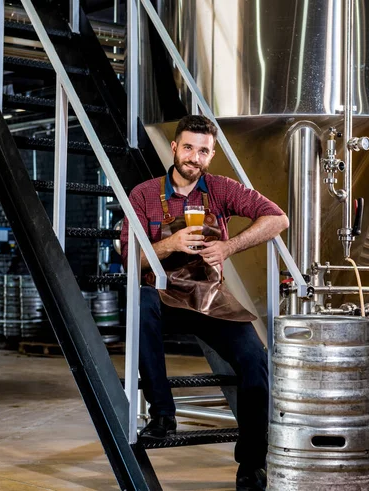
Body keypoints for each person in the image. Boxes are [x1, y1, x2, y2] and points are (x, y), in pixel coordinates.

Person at [120, 115, 289, 491]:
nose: (194, 157)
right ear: (175, 147)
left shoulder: (221, 189)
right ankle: (162, 413)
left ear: (210, 156)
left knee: (255, 361)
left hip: (209, 297)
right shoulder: (144, 194)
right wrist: (169, 244)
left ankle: (251, 464)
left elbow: (278, 218)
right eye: (189, 147)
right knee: (142, 302)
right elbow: (129, 257)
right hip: (163, 293)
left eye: (203, 151)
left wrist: (228, 245)